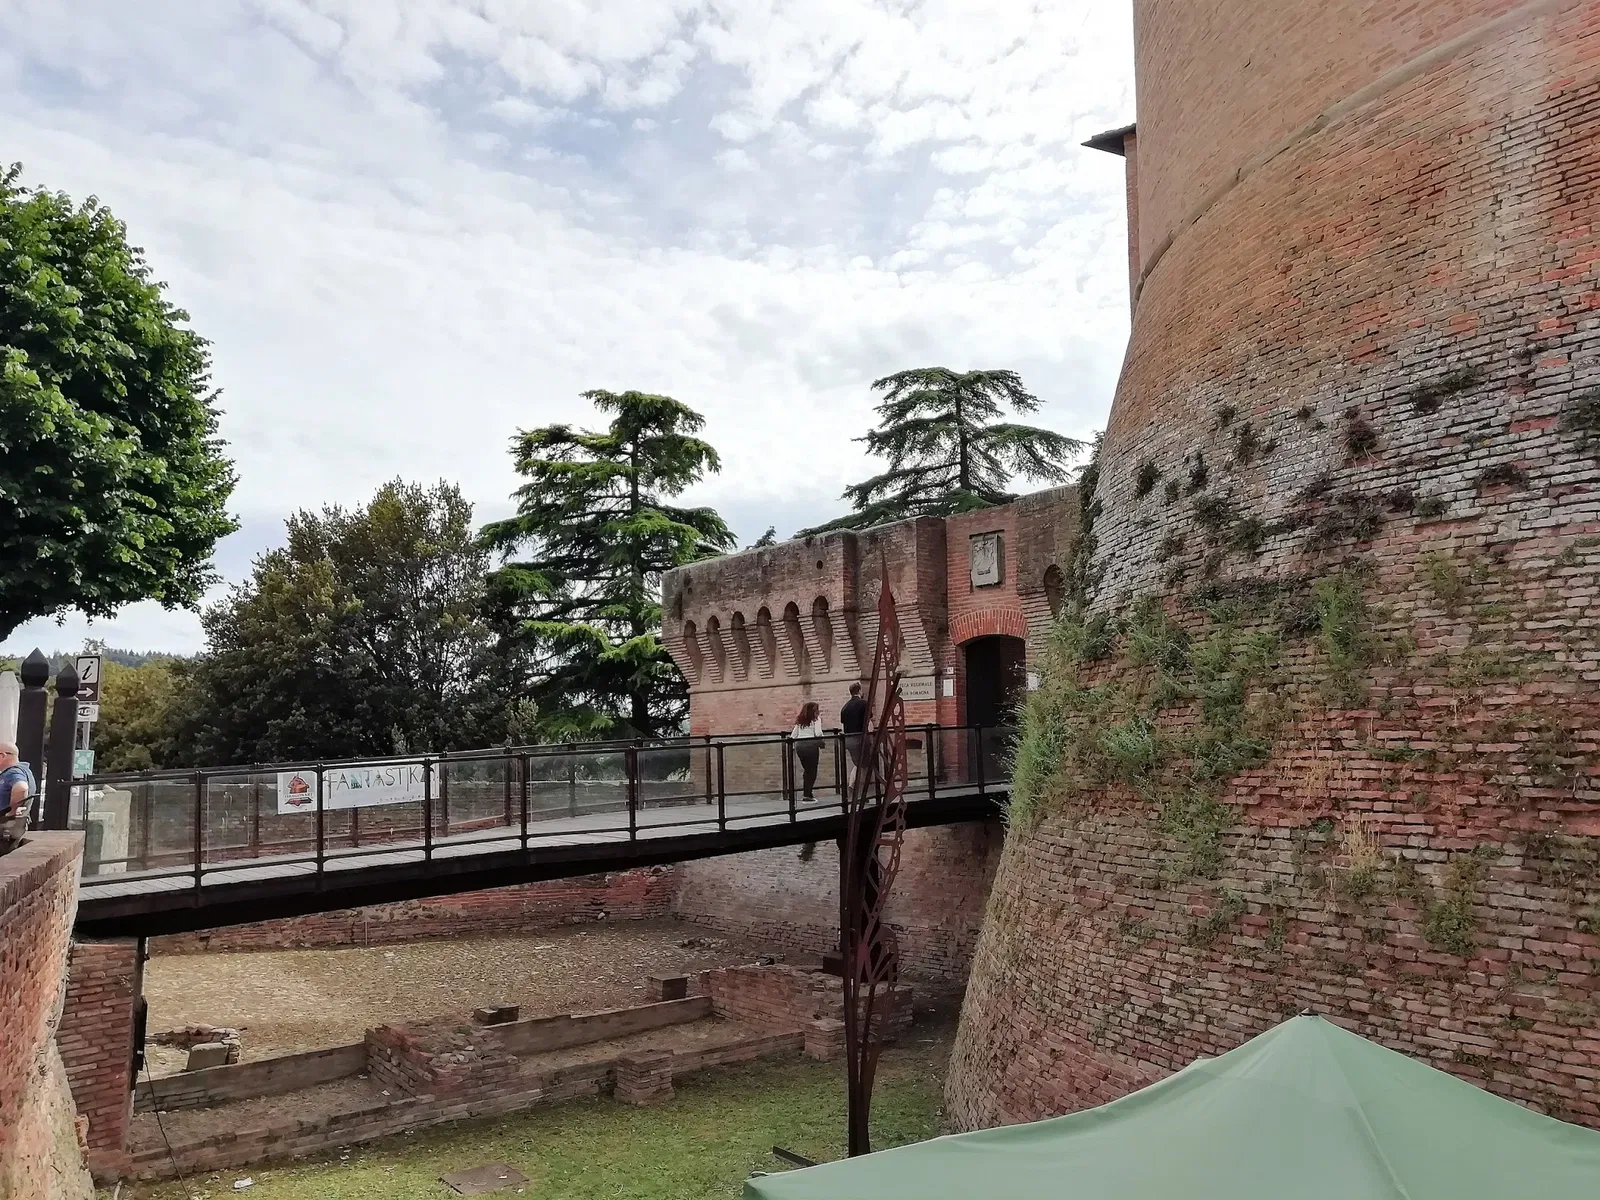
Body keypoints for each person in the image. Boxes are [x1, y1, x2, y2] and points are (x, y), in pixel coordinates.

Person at [0, 741, 37, 853]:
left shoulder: (13, 772)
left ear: (2, 756)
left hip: (4, 831)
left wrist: (13, 809)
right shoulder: (24, 771)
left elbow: (21, 787)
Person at [790, 702, 824, 804]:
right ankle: (807, 795)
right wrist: (822, 738)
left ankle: (807, 794)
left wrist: (791, 746)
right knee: (812, 771)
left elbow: (793, 735)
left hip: (800, 747)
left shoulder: (800, 720)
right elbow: (818, 733)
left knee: (807, 770)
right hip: (811, 747)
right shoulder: (816, 719)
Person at [840, 682, 869, 790]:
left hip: (848, 739)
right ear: (860, 691)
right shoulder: (863, 704)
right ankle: (859, 788)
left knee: (857, 763)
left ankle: (852, 784)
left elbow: (843, 723)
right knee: (864, 765)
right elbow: (868, 720)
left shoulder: (845, 707)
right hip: (860, 738)